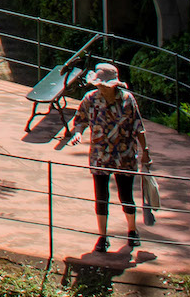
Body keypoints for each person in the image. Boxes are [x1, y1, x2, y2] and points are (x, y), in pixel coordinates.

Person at [59, 63, 148, 252]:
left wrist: (145, 151)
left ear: (114, 85)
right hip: (99, 156)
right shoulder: (90, 99)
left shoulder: (127, 100)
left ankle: (132, 230)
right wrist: (77, 134)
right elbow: (80, 121)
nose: (100, 87)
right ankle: (103, 237)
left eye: (104, 84)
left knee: (126, 195)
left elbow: (138, 126)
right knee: (101, 197)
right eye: (98, 84)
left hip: (124, 156)